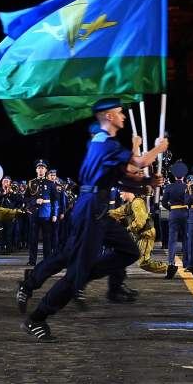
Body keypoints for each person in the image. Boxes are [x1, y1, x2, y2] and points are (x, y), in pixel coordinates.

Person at [21, 98, 167, 342]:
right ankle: (38, 318)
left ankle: (63, 277)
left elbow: (122, 174)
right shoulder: (106, 144)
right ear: (108, 116)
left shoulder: (101, 141)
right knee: (75, 271)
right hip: (91, 210)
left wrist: (146, 181)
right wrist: (158, 149)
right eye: (119, 113)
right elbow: (140, 163)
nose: (122, 116)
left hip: (95, 208)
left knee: (128, 251)